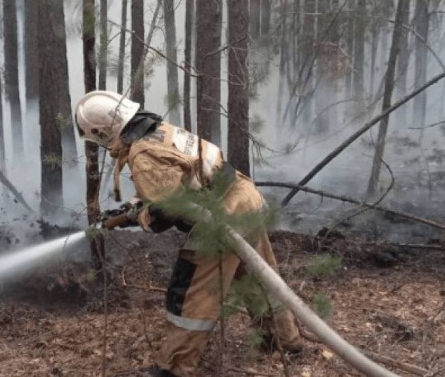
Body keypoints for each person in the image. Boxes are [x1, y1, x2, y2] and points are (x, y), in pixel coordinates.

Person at [74, 90, 303, 377]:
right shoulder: (158, 131)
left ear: (103, 130)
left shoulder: (141, 153)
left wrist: (139, 217)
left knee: (190, 290)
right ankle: (284, 340)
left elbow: (168, 212)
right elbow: (178, 181)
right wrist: (131, 209)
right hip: (243, 196)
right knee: (258, 276)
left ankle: (175, 367)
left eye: (96, 136)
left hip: (222, 215)